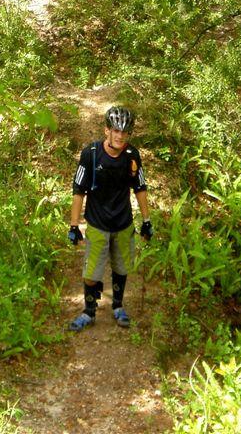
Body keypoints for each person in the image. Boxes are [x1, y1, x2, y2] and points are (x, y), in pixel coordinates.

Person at [68, 106, 153, 332]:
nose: (120, 136)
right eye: (116, 130)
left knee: (122, 268)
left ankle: (117, 306)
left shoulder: (132, 156)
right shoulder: (91, 154)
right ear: (107, 130)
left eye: (125, 132)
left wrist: (146, 221)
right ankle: (88, 310)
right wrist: (74, 225)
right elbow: (78, 190)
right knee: (91, 273)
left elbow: (140, 187)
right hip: (97, 223)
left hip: (123, 223)